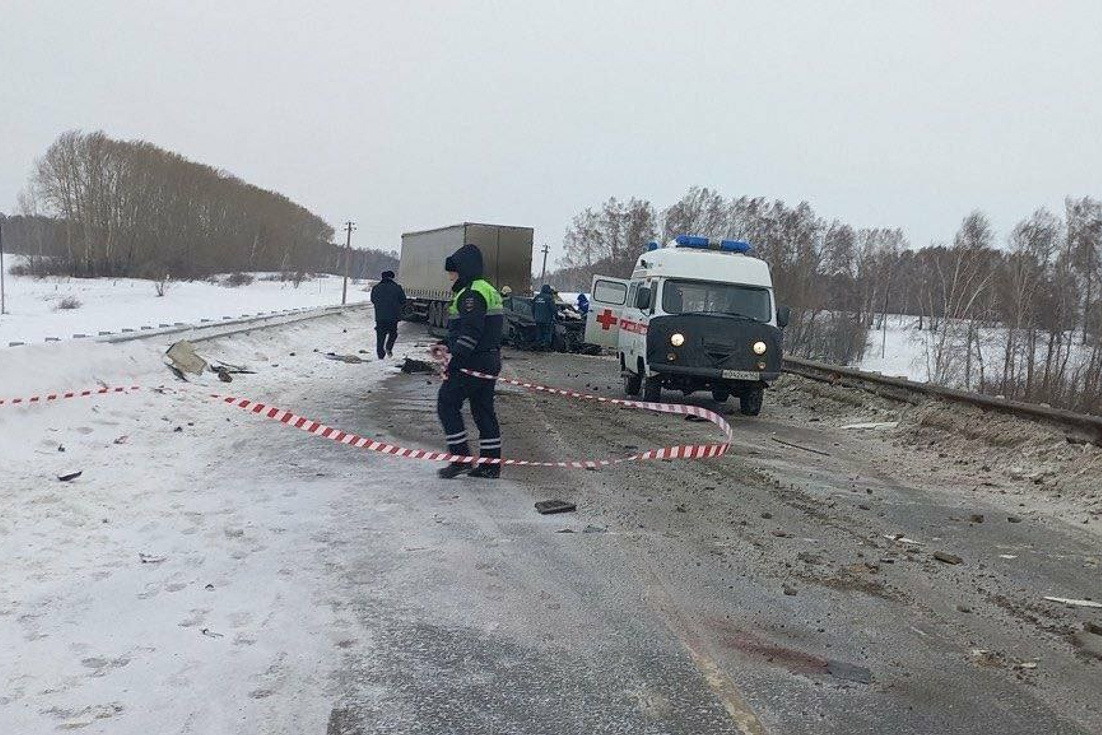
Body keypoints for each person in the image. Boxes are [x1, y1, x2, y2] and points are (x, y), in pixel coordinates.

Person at [436, 243, 504, 479]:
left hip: (473, 362)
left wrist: (455, 360)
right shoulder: (487, 289)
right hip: (490, 359)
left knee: (446, 403)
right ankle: (490, 465)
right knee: (484, 411)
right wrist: (447, 343)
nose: (450, 276)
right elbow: (475, 329)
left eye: (452, 271)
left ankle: (460, 458)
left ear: (463, 269)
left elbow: (472, 331)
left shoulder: (471, 294)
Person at [370, 270, 406, 359]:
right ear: (392, 277)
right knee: (393, 333)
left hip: (380, 316)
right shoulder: (397, 288)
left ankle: (380, 355)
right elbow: (403, 300)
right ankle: (388, 347)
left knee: (380, 336)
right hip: (393, 316)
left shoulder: (376, 288)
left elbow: (373, 300)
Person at [531, 284, 556, 349]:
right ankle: (546, 347)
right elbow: (553, 309)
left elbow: (532, 308)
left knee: (539, 333)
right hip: (547, 319)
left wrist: (534, 316)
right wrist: (557, 316)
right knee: (547, 333)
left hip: (537, 319)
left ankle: (538, 346)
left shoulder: (537, 297)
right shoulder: (549, 298)